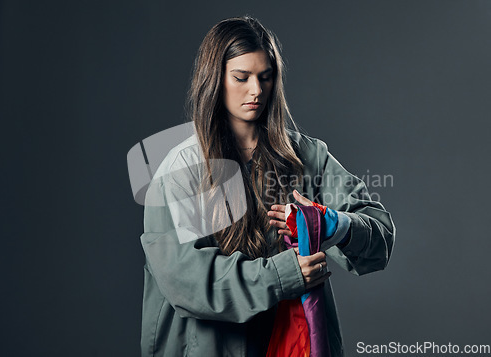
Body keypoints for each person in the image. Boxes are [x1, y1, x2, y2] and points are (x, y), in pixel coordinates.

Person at [139, 15, 395, 357]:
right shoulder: (184, 168)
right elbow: (190, 281)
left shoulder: (307, 156)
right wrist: (284, 274)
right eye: (241, 77)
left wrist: (331, 223)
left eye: (266, 77)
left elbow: (380, 237)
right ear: (215, 79)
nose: (256, 90)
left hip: (293, 346)